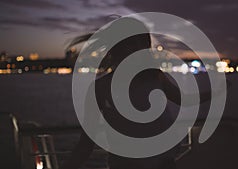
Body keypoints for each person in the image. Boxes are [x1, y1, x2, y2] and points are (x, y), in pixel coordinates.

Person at [63, 17, 212, 169]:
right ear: (117, 46)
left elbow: (183, 99)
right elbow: (86, 143)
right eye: (131, 43)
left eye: (142, 43)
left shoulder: (155, 77)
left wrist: (215, 92)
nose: (137, 48)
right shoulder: (101, 88)